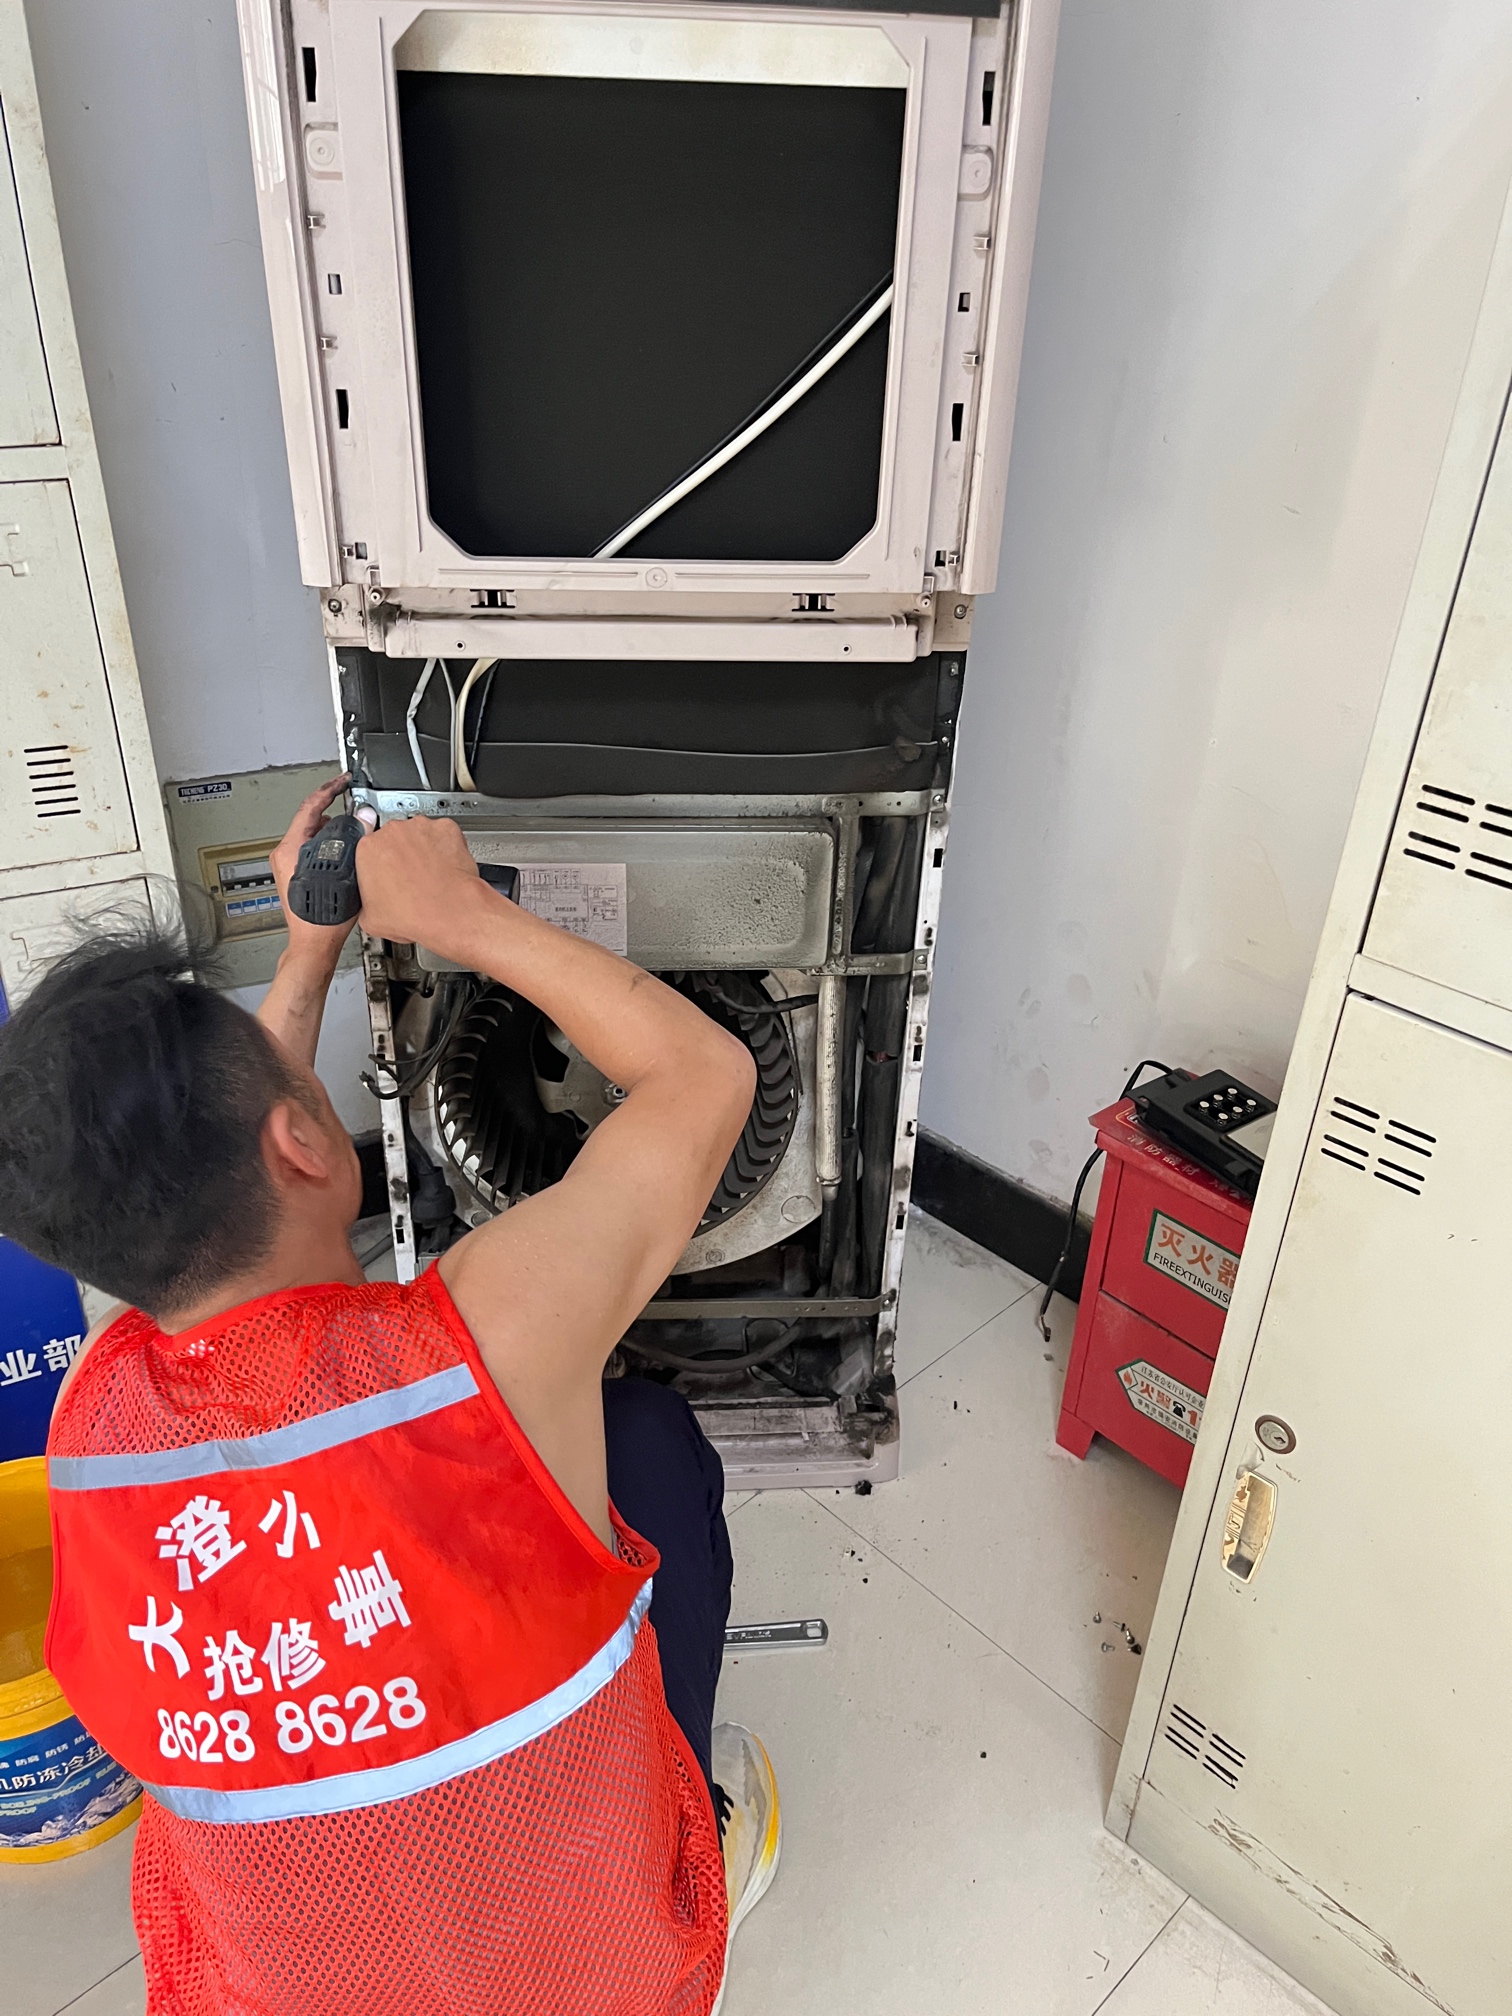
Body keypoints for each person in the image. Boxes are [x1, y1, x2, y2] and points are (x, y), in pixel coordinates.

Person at [0, 778, 780, 2016]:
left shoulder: (96, 1422)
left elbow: (207, 1173)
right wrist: (463, 916)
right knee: (647, 1437)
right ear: (302, 1143)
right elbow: (706, 1075)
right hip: (594, 1983)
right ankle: (700, 1836)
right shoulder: (486, 1343)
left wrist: (307, 956)